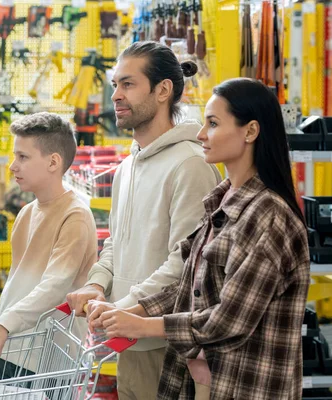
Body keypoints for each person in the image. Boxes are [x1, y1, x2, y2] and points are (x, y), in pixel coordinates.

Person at [90, 78, 310, 399]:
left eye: (213, 123)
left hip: (248, 387)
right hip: (204, 382)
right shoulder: (220, 201)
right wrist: (132, 312)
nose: (201, 134)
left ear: (250, 131)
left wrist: (144, 326)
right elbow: (190, 286)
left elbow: (229, 320)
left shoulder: (268, 216)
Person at [66, 41, 221, 399]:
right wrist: (97, 285)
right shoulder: (127, 166)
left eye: (128, 84)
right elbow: (115, 243)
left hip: (165, 344)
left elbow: (185, 264)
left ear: (163, 90)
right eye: (115, 85)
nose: (116, 96)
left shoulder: (190, 164)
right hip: (127, 340)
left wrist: (122, 309)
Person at [0, 112, 98, 382]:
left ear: (53, 162)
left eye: (23, 157)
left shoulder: (74, 216)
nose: (12, 166)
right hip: (10, 348)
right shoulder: (27, 213)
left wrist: (4, 323)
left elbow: (56, 286)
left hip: (47, 359)